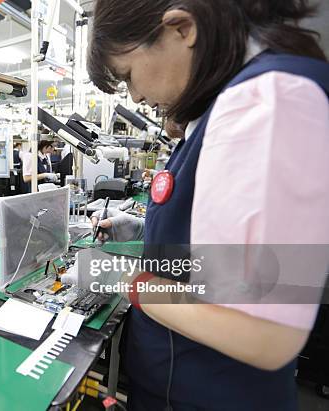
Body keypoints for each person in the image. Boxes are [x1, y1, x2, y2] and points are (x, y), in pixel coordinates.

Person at [88, 0, 329, 410]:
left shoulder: (264, 102)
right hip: (179, 382)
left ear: (182, 29)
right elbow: (221, 263)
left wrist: (126, 281)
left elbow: (264, 332)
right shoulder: (226, 106)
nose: (137, 95)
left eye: (129, 76)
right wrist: (145, 233)